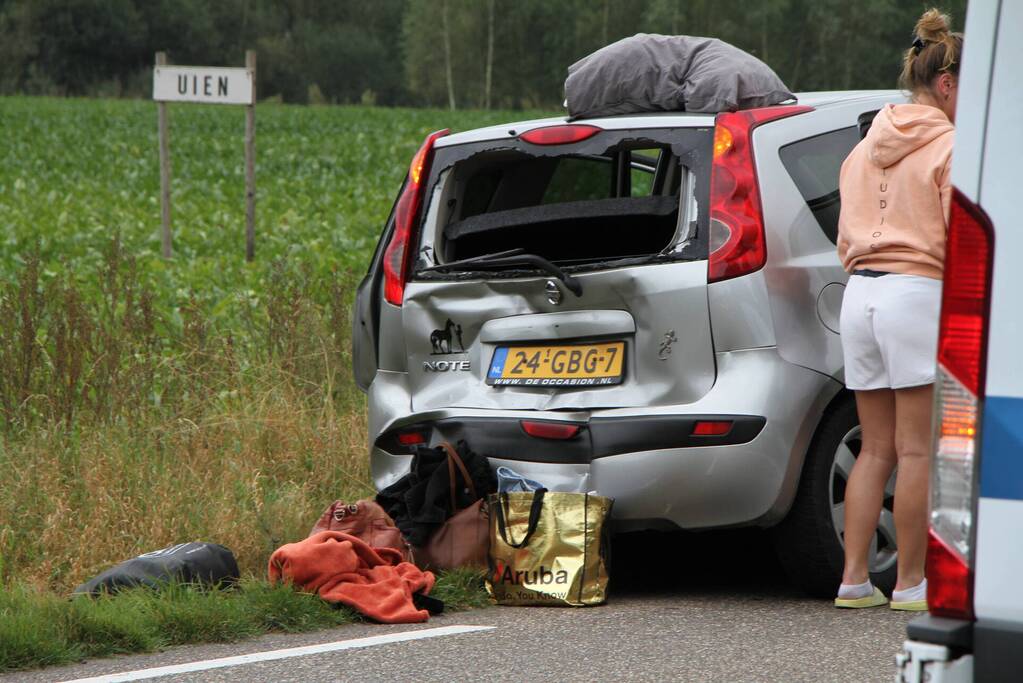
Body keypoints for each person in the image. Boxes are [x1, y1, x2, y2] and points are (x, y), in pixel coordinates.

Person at [833, 8, 962, 611]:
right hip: (916, 294)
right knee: (915, 451)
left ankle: (854, 579)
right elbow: (959, 235)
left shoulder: (861, 150)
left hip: (860, 298)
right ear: (945, 84)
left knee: (874, 448)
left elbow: (842, 241)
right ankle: (911, 582)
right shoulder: (951, 145)